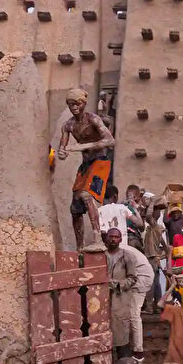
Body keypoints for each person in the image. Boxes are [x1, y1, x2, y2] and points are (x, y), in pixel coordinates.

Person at [58, 87, 116, 251]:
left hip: (100, 161)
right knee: (75, 209)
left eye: (77, 104)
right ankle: (79, 247)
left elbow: (110, 141)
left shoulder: (93, 119)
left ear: (83, 103)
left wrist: (81, 146)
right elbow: (63, 145)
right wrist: (62, 152)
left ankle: (97, 238)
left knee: (86, 195)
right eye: (71, 104)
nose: (74, 107)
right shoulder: (68, 125)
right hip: (85, 165)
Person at [105, 227, 153, 361]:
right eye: (111, 236)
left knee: (123, 330)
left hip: (121, 298)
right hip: (105, 299)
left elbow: (132, 279)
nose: (113, 239)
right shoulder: (102, 255)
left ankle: (130, 358)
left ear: (120, 239)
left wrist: (117, 284)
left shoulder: (127, 256)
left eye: (116, 237)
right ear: (106, 238)